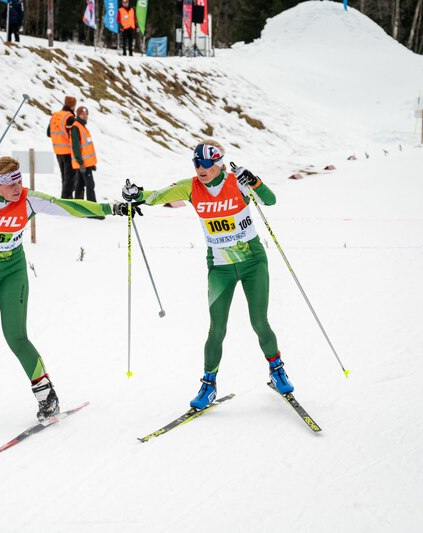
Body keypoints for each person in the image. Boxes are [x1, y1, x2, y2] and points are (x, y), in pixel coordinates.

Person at [0, 156, 136, 423]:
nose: (18, 188)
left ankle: (47, 397)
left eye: (19, 181)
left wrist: (112, 208)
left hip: (11, 274)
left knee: (16, 337)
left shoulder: (29, 199)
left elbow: (69, 206)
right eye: (11, 184)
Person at [122, 140, 294, 411]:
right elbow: (156, 196)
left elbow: (270, 200)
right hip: (220, 267)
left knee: (259, 322)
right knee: (217, 329)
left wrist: (254, 181)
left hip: (252, 262)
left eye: (206, 164)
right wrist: (136, 194)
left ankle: (277, 370)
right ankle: (208, 385)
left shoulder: (237, 181)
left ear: (218, 164)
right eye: (196, 163)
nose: (200, 168)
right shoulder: (191, 187)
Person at [47, 96, 77, 199]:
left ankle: (67, 198)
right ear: (73, 105)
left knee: (64, 177)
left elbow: (49, 133)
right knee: (70, 178)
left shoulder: (55, 116)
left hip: (58, 151)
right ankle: (66, 199)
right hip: (68, 151)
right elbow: (74, 136)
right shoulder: (70, 118)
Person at [70, 106, 99, 204]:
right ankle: (92, 208)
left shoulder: (82, 127)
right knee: (90, 185)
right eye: (83, 114)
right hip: (83, 164)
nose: (85, 116)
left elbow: (87, 148)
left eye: (86, 114)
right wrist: (80, 162)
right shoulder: (76, 127)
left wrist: (92, 164)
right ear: (78, 115)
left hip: (86, 164)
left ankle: (78, 205)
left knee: (80, 185)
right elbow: (75, 147)